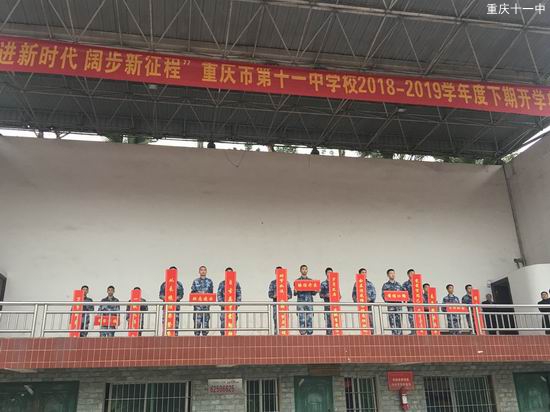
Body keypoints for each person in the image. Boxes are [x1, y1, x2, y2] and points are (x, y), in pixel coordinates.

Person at [159, 266, 184, 336]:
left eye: (174, 271)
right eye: (171, 271)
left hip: (175, 307)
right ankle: (165, 336)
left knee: (175, 322)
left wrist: (175, 298)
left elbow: (181, 295)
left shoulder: (179, 284)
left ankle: (175, 336)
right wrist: (166, 298)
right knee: (165, 322)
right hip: (166, 306)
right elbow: (160, 295)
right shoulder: (164, 284)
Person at [217, 267, 242, 336]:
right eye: (227, 272)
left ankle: (233, 339)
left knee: (233, 323)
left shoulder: (236, 283)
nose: (229, 273)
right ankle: (223, 337)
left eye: (230, 272)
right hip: (224, 308)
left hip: (233, 308)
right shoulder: (222, 283)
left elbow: (239, 295)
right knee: (223, 323)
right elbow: (219, 295)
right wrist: (222, 304)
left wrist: (236, 304)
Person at [191, 265, 214, 336]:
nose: (203, 271)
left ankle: (205, 337)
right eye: (201, 270)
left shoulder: (209, 281)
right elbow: (192, 293)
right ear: (199, 271)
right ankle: (196, 336)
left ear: (206, 271)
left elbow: (211, 293)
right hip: (197, 307)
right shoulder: (195, 281)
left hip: (206, 306)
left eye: (204, 270)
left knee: (205, 323)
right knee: (197, 323)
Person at [294, 264, 317, 335]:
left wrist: (316, 290)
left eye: (305, 269)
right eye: (303, 269)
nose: (304, 270)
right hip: (301, 302)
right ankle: (302, 333)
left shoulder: (311, 281)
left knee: (309, 317)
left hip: (309, 302)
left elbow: (313, 293)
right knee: (301, 318)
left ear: (307, 270)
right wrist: (295, 291)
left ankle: (309, 333)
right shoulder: (297, 281)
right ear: (300, 270)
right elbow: (294, 293)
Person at [268, 266, 292, 335]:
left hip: (284, 305)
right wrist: (275, 295)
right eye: (277, 271)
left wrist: (287, 296)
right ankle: (276, 335)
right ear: (275, 272)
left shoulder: (286, 283)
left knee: (285, 319)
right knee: (276, 320)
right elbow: (270, 294)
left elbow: (290, 294)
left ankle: (285, 335)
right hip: (276, 305)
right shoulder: (273, 283)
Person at [352, 268, 376, 332]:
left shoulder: (370, 283)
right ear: (359, 274)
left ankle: (371, 333)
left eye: (365, 272)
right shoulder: (356, 283)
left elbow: (374, 294)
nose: (364, 274)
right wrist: (357, 300)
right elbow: (354, 294)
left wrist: (370, 299)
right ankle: (364, 333)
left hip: (369, 305)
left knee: (370, 320)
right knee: (363, 320)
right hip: (361, 305)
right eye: (363, 272)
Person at [382, 269, 404, 335]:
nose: (392, 275)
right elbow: (383, 295)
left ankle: (400, 333)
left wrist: (404, 299)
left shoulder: (398, 284)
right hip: (391, 306)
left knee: (399, 319)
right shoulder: (385, 285)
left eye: (393, 273)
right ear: (388, 275)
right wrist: (388, 299)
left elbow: (403, 293)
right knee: (392, 320)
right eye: (391, 273)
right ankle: (394, 333)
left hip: (398, 306)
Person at [319, 267, 341, 335]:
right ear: (326, 274)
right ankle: (329, 335)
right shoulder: (323, 283)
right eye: (328, 272)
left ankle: (336, 335)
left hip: (335, 305)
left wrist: (338, 296)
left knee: (336, 321)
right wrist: (326, 295)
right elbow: (321, 295)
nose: (330, 273)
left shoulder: (335, 283)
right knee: (328, 321)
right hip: (328, 305)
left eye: (331, 272)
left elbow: (339, 295)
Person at [401, 269, 416, 335]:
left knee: (419, 317)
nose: (412, 275)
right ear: (408, 275)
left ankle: (421, 331)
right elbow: (404, 294)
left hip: (418, 304)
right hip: (410, 304)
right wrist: (410, 299)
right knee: (411, 317)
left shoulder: (417, 283)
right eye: (411, 273)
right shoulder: (405, 284)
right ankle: (413, 331)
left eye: (413, 273)